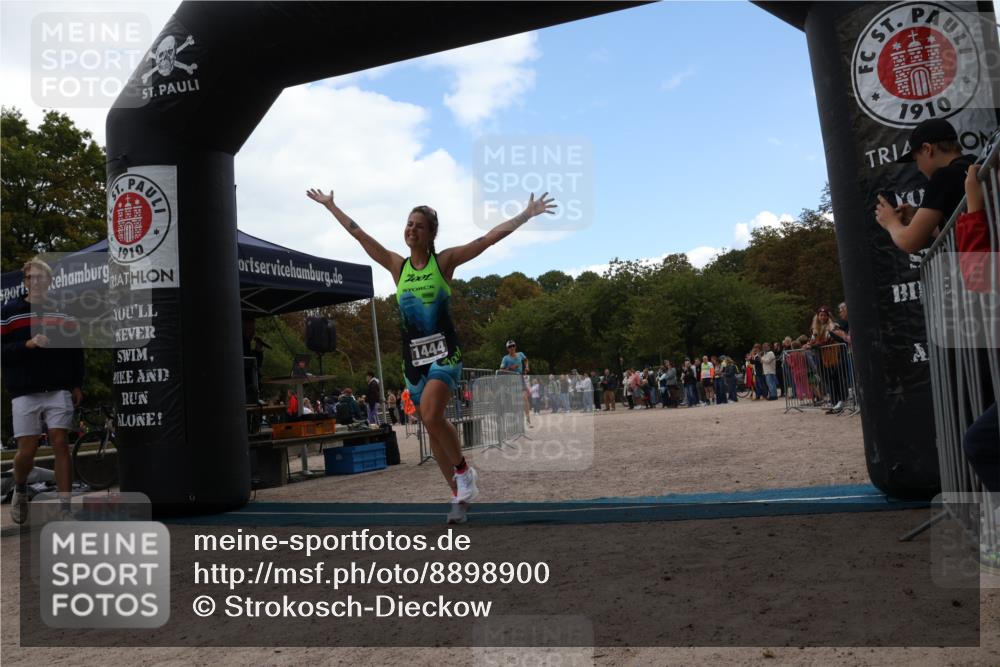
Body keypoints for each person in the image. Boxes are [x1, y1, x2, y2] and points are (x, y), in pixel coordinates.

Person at [308, 186, 555, 523]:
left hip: (444, 354)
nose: (411, 229)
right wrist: (331, 206)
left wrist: (526, 214)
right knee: (429, 422)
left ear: (430, 234)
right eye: (409, 224)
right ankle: (458, 496)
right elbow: (359, 235)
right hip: (413, 360)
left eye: (419, 226)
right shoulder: (397, 266)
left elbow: (487, 240)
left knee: (431, 414)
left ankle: (464, 472)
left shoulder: (444, 262)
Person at [1, 257, 84, 523]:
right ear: (25, 281)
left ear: (49, 281)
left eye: (40, 277)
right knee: (27, 450)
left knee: (60, 441)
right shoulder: (9, 311)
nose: (35, 282)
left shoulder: (63, 311)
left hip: (58, 387)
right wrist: (27, 345)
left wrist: (76, 383)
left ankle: (65, 508)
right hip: (24, 389)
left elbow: (75, 348)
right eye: (30, 277)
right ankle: (21, 488)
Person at [875, 118, 977, 252]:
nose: (918, 167)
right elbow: (967, 229)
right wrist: (918, 220)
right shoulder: (977, 163)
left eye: (917, 160)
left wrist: (891, 222)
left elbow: (909, 241)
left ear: (927, 149)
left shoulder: (943, 177)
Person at [500, 340, 532, 428]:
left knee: (525, 398)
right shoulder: (505, 358)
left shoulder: (520, 354)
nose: (512, 348)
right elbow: (501, 371)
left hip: (520, 378)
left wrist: (527, 367)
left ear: (515, 346)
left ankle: (528, 419)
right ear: (507, 349)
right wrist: (510, 368)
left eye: (513, 346)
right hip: (511, 380)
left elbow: (526, 360)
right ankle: (516, 422)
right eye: (510, 347)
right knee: (515, 401)